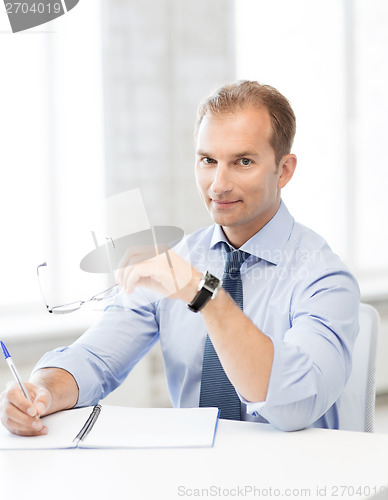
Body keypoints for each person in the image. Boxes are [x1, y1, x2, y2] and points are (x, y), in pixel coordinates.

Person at [0, 81, 360, 436]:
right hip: (191, 475)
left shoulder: (323, 277)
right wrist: (43, 390)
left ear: (284, 170)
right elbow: (95, 359)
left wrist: (203, 293)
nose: (218, 184)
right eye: (208, 160)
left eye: (243, 161)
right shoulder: (177, 264)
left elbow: (296, 404)